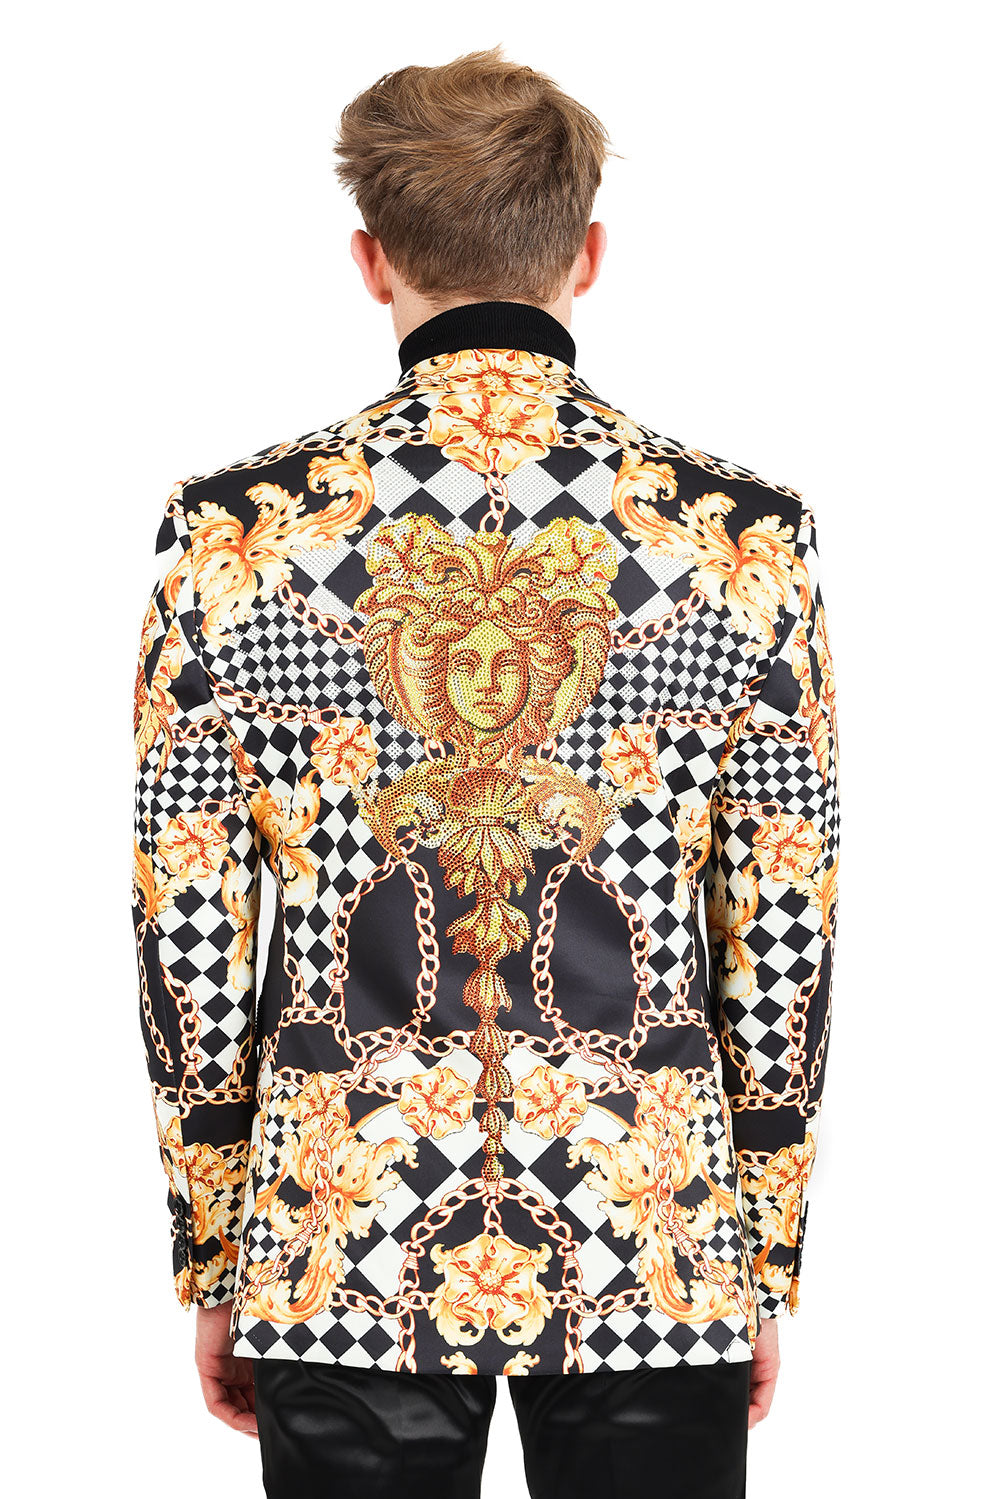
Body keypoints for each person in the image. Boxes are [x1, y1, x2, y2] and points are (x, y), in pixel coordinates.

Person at [131, 45, 839, 1499]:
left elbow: (188, 920)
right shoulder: (743, 539)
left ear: (369, 258)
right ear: (588, 253)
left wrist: (216, 1246)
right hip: (653, 1223)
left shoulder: (232, 536)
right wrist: (760, 1250)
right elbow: (784, 920)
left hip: (340, 1222)